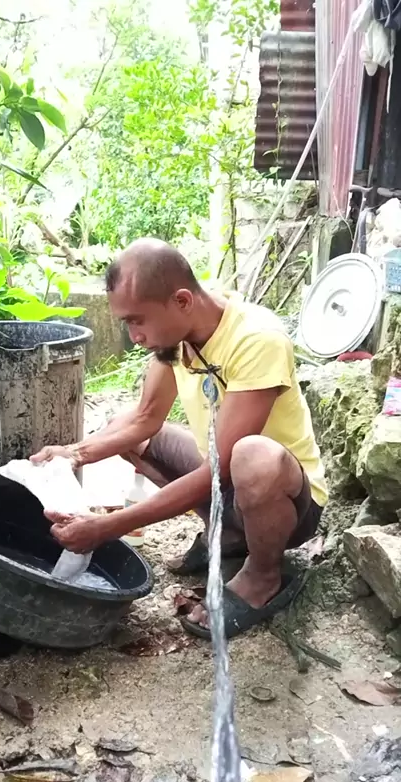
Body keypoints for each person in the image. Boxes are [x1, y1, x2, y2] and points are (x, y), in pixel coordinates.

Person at [31, 237, 328, 640]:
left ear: (183, 300)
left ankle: (263, 576)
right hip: (227, 484)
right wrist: (73, 454)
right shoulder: (181, 335)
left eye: (137, 321)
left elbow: (219, 471)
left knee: (252, 457)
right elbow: (144, 419)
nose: (134, 336)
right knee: (124, 428)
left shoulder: (257, 340)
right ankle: (228, 536)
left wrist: (107, 527)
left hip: (289, 502)